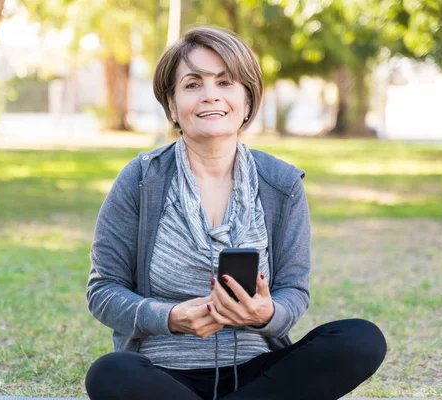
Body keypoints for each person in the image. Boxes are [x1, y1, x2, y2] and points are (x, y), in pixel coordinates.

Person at [85, 26, 386, 400]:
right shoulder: (142, 179)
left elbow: (293, 290)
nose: (211, 95)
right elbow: (103, 291)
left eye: (225, 82)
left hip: (259, 377)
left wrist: (265, 315)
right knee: (109, 373)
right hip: (163, 376)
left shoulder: (281, 183)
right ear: (173, 105)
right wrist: (170, 317)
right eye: (192, 84)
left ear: (246, 100)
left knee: (360, 339)